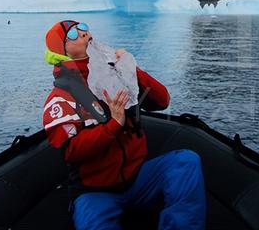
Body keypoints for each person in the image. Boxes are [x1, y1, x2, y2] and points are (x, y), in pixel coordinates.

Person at [42, 20, 206, 230]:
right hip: (95, 192)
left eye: (83, 28)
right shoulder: (61, 98)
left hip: (138, 178)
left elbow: (162, 100)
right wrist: (112, 125)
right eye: (72, 34)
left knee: (186, 162)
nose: (83, 33)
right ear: (62, 50)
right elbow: (72, 151)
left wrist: (131, 69)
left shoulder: (117, 74)